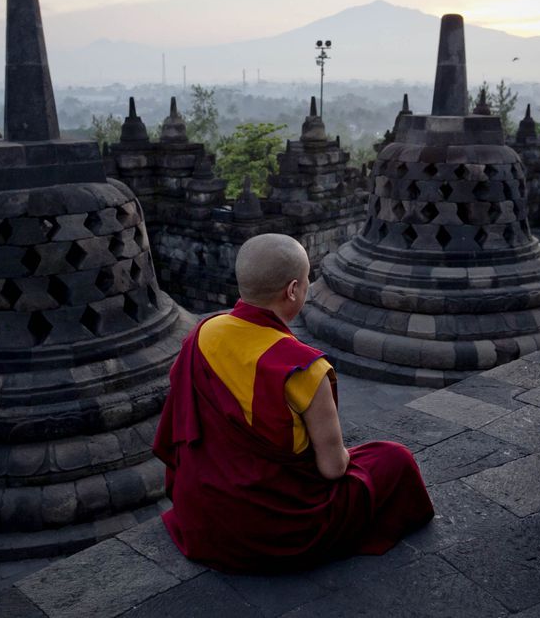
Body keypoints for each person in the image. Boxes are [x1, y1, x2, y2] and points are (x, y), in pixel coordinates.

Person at [153, 233, 434, 573]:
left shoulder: (203, 333)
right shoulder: (305, 368)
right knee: (394, 458)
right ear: (292, 290)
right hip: (277, 529)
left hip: (203, 517)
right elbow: (333, 468)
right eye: (307, 281)